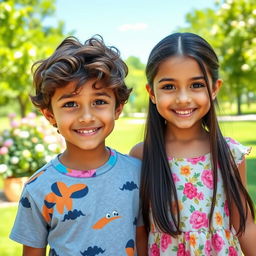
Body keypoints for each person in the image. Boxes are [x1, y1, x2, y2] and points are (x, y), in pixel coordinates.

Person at [10, 36, 147, 256]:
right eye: (70, 104)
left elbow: (142, 244)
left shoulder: (137, 174)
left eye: (99, 102)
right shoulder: (38, 187)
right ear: (50, 114)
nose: (86, 116)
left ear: (118, 108)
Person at [130, 32, 256, 255]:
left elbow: (244, 227)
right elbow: (138, 231)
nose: (183, 98)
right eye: (169, 87)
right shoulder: (142, 156)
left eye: (196, 85)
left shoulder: (229, 153)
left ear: (215, 88)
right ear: (151, 93)